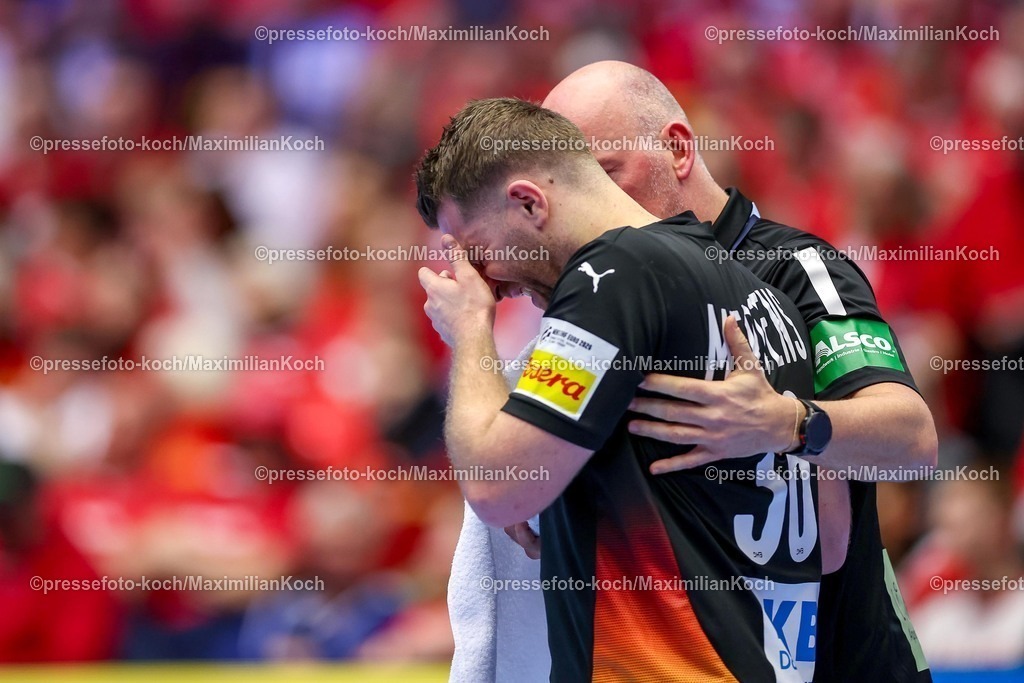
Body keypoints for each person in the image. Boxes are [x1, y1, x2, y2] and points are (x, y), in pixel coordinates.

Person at [512, 61, 935, 682]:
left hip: (849, 662)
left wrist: (789, 422)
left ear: (677, 150)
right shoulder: (597, 293)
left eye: (606, 174)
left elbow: (913, 439)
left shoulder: (797, 269)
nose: (592, 207)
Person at [417, 97, 825, 682]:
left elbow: (497, 486)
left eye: (479, 253)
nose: (490, 285)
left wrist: (469, 330)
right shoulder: (766, 299)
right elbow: (831, 536)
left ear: (529, 202)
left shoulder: (613, 273)